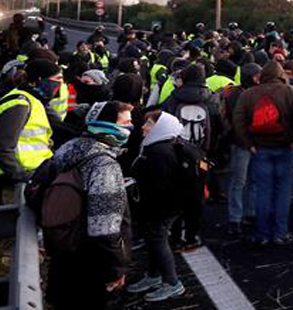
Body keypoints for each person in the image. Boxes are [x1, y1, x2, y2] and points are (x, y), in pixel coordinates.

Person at [45, 101, 134, 310]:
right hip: (90, 260)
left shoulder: (70, 147)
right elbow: (104, 228)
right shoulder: (104, 165)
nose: (131, 127)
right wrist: (116, 268)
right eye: (126, 122)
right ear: (108, 125)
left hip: (65, 246)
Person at [232, 60, 293, 245]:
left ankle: (263, 234)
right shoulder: (292, 93)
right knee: (283, 192)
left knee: (263, 191)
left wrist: (248, 143)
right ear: (281, 75)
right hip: (287, 148)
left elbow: (238, 120)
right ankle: (280, 233)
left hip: (260, 148)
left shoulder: (249, 94)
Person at [127, 111, 188, 302]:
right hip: (164, 206)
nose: (143, 127)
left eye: (149, 124)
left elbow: (158, 185)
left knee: (158, 240)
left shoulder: (158, 152)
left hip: (161, 208)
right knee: (153, 240)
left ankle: (172, 283)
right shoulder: (163, 146)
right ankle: (154, 275)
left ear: (161, 128)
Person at [161, 61, 220, 251]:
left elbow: (163, 122)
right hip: (200, 155)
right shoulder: (210, 98)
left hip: (177, 154)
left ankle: (176, 238)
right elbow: (218, 126)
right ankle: (192, 237)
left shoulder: (174, 98)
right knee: (197, 196)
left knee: (176, 195)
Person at [0, 58, 58, 197]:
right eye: (57, 79)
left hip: (26, 174)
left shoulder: (33, 100)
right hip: (12, 181)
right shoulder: (21, 103)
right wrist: (21, 176)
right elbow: (3, 146)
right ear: (39, 79)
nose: (60, 84)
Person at [225, 62, 261, 236]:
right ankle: (237, 217)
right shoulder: (241, 95)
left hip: (245, 142)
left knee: (247, 179)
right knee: (241, 181)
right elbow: (239, 123)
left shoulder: (237, 93)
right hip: (244, 143)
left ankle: (246, 214)